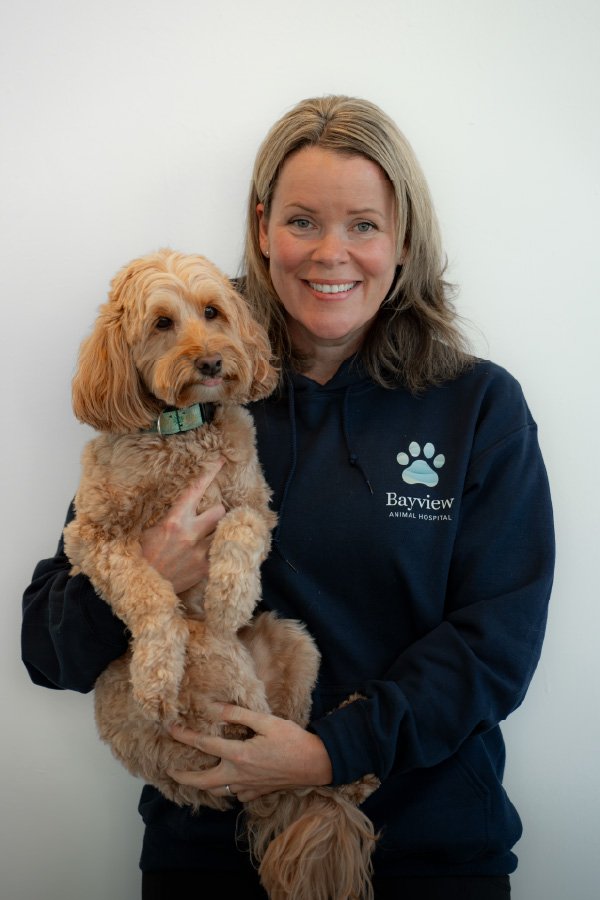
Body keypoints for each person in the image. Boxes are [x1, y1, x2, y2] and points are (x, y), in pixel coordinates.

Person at [22, 95, 554, 900]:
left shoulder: (476, 406)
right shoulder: (173, 387)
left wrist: (330, 752)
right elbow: (46, 648)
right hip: (208, 851)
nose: (330, 254)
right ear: (263, 225)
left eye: (364, 225)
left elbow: (496, 644)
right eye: (303, 221)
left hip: (422, 850)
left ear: (403, 239)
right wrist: (148, 575)